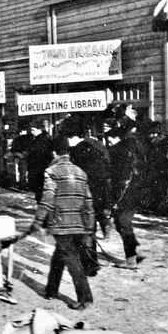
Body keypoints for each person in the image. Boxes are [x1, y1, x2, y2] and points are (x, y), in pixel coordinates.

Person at [29, 135, 95, 311]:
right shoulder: (81, 173)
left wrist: (38, 220)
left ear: (53, 152)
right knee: (60, 255)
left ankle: (85, 298)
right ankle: (51, 290)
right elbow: (88, 204)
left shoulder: (51, 172)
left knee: (72, 260)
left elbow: (48, 199)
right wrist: (89, 228)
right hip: (78, 223)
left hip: (60, 224)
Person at [63, 118, 110, 276]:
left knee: (82, 232)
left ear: (73, 136)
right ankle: (91, 265)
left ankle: (87, 265)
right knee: (90, 230)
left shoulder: (76, 152)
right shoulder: (96, 148)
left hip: (82, 196)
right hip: (97, 196)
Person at [107, 119, 146, 269]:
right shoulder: (136, 146)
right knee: (122, 223)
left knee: (123, 223)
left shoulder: (120, 150)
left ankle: (131, 260)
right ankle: (132, 254)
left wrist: (116, 199)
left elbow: (123, 179)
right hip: (135, 191)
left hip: (125, 193)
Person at [27, 119, 54, 203]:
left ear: (39, 129)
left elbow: (37, 156)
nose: (31, 132)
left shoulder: (40, 141)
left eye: (33, 130)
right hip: (42, 169)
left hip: (39, 170)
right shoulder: (44, 139)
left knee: (40, 193)